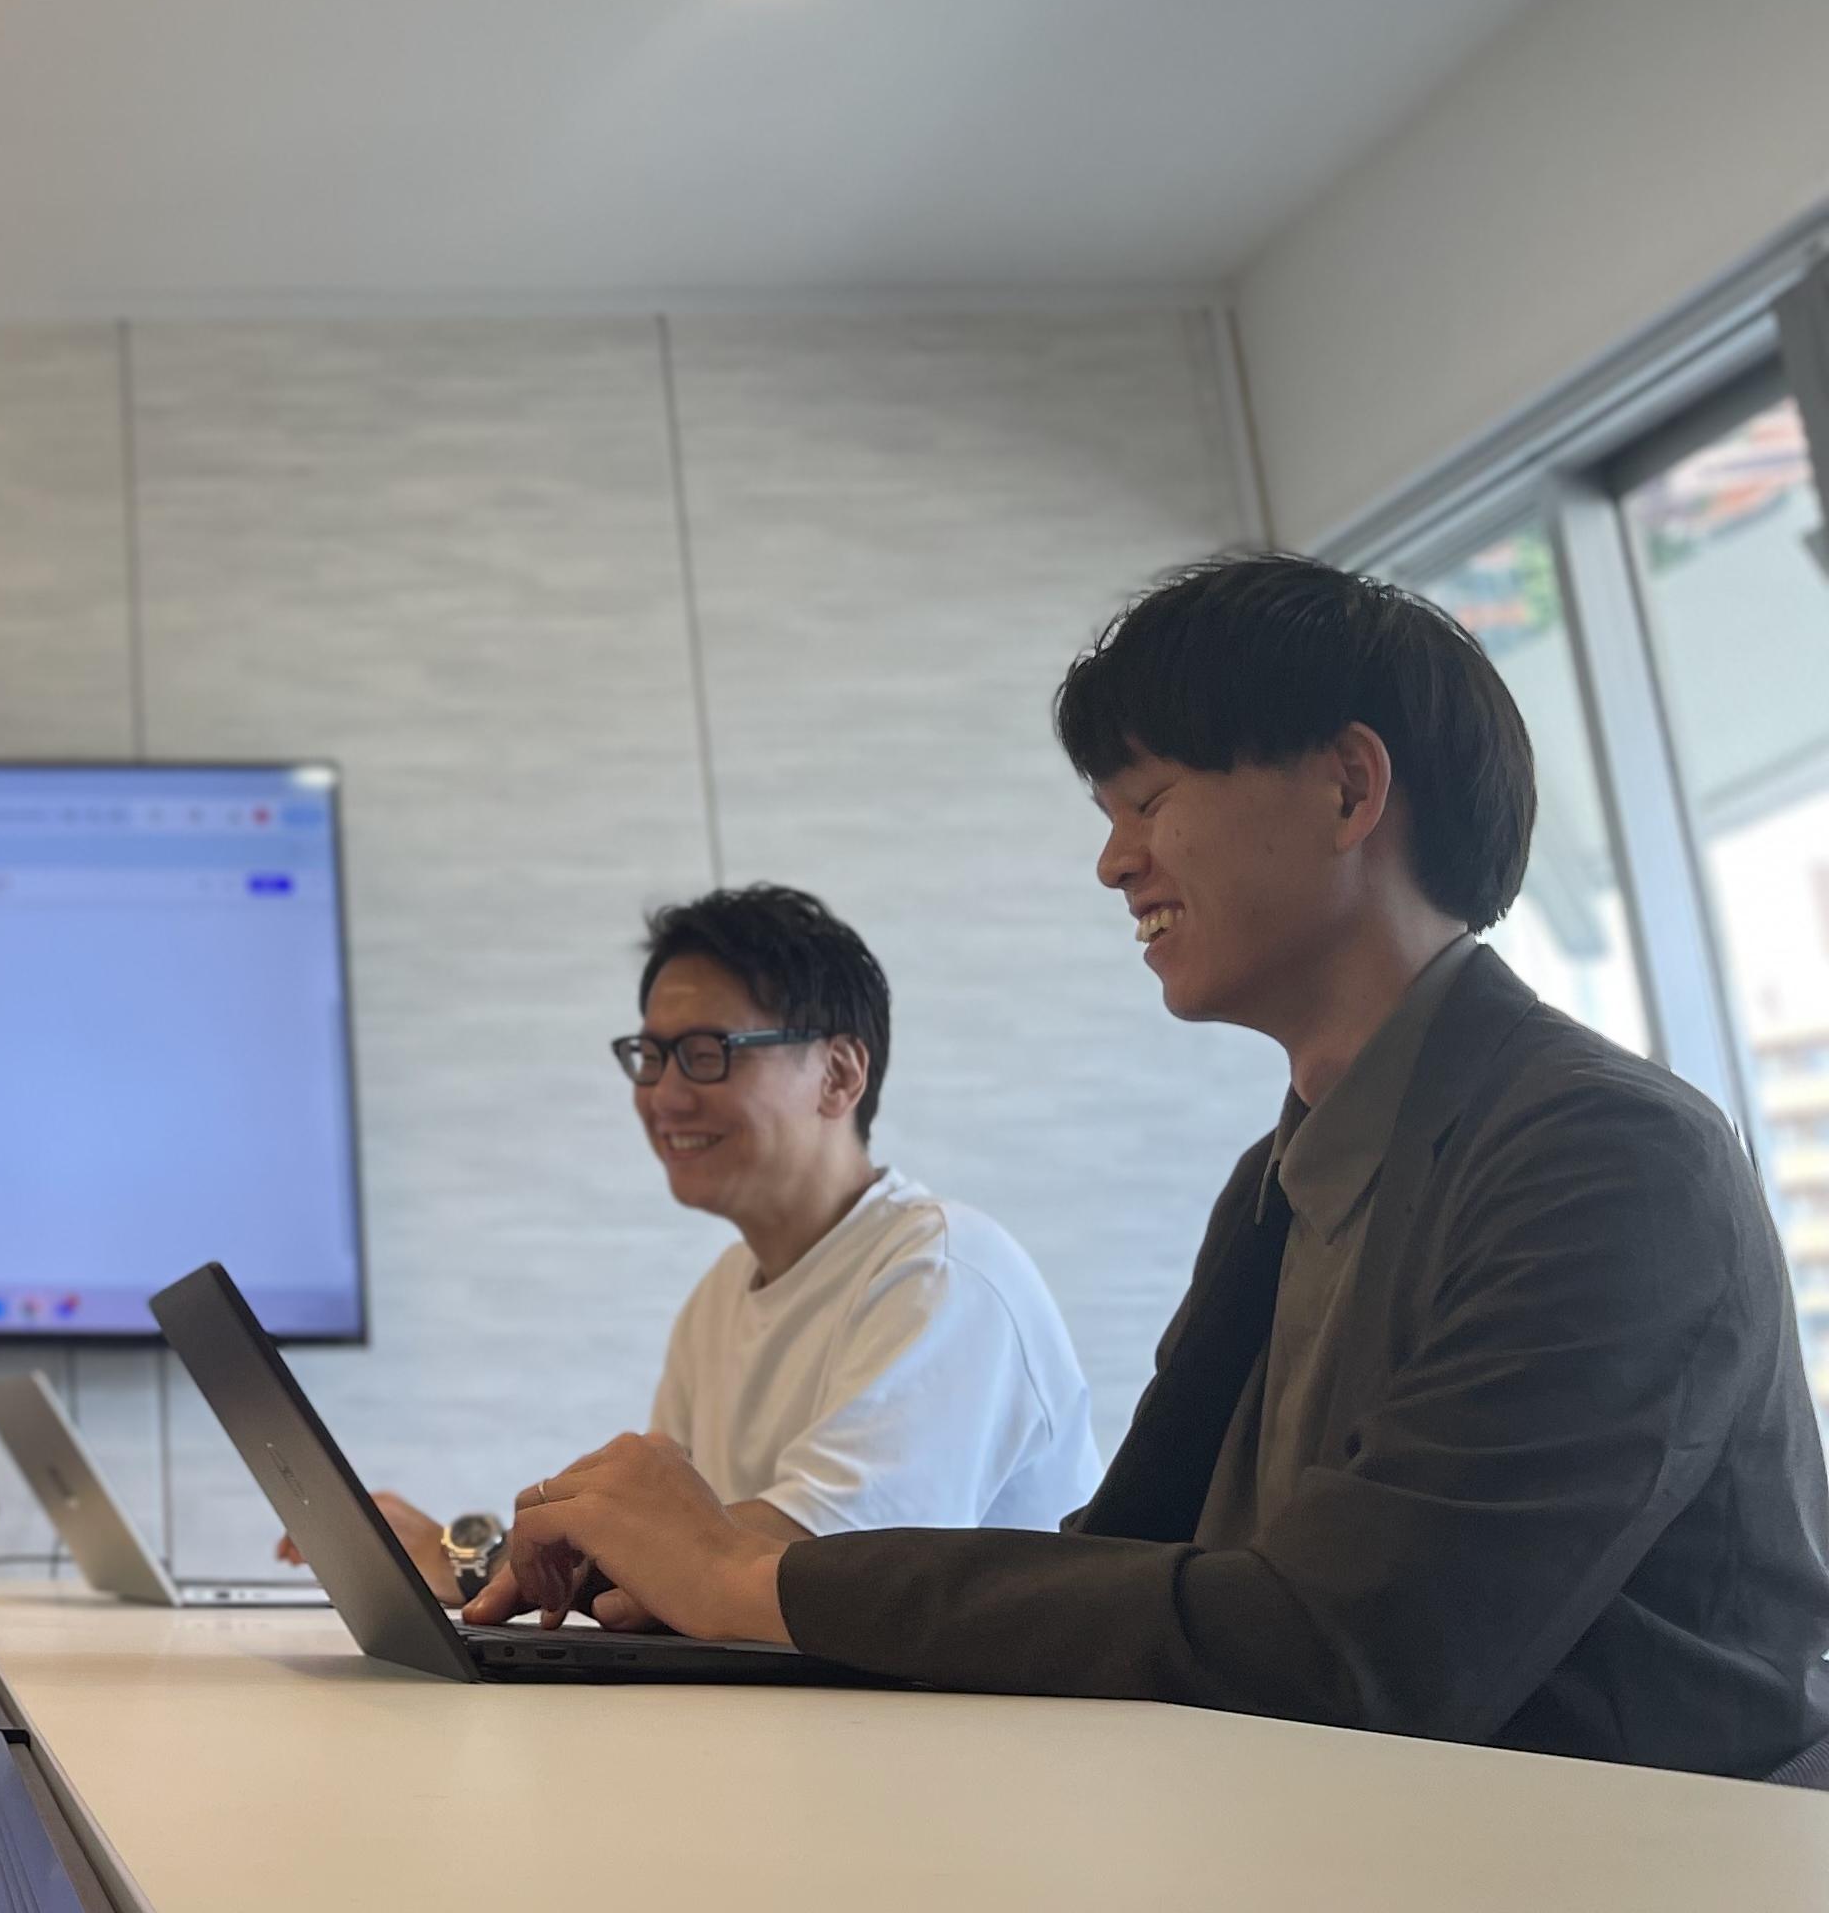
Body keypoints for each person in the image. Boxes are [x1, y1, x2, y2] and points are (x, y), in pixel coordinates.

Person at [492, 554, 1829, 1782]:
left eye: (1150, 801)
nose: (1113, 861)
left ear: (1348, 789)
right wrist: (687, 1565)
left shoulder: (1609, 1158)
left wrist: (745, 1578)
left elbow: (1357, 1648)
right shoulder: (1274, 1182)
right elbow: (1125, 1565)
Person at [327, 886, 1093, 1598]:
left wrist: (471, 1560)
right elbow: (659, 1555)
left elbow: (811, 1566)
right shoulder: (722, 1293)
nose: (664, 1095)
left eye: (707, 1052)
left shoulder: (941, 1274)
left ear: (838, 1074)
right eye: (651, 1056)